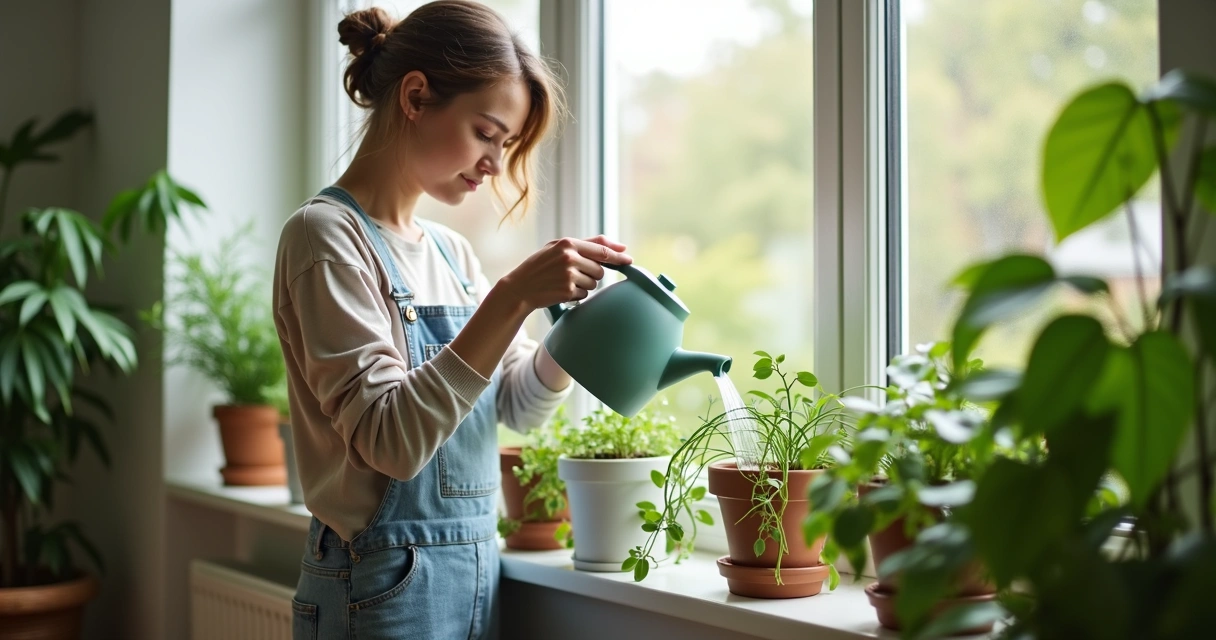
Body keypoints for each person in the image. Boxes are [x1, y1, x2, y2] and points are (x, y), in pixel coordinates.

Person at [272, 2, 631, 638]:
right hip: (376, 584)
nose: (496, 164)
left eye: (507, 144)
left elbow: (516, 406)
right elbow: (391, 441)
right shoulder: (324, 238)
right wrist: (513, 296)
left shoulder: (449, 252)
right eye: (487, 132)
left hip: (473, 571)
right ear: (415, 96)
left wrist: (576, 327)